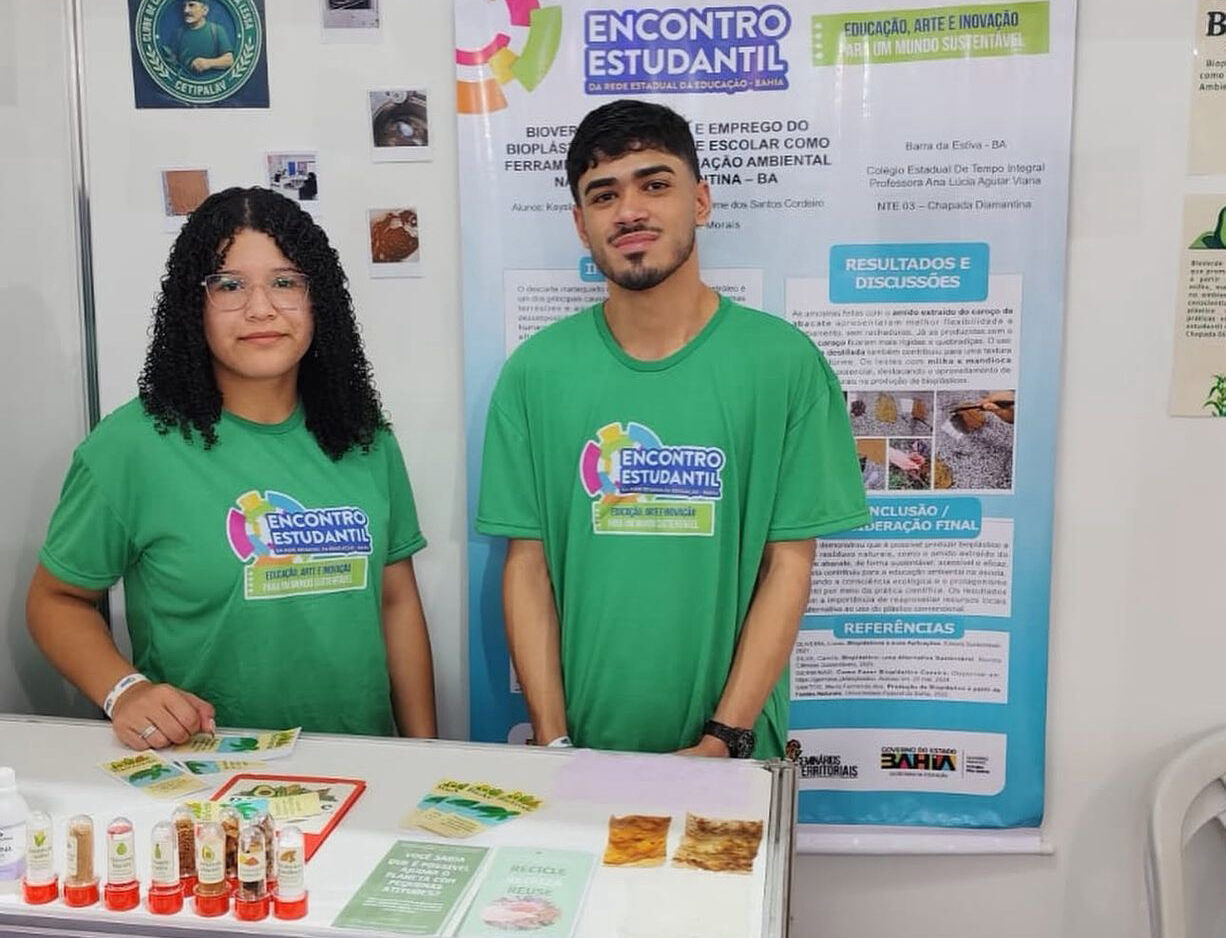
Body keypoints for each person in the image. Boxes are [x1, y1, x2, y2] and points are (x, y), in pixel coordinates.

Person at [476, 100, 869, 759]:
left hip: (735, 754)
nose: (630, 211)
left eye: (655, 185)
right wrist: (553, 742)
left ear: (701, 201)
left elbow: (789, 565)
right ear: (581, 224)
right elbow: (528, 567)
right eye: (604, 195)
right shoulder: (534, 374)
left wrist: (722, 738)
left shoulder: (784, 363)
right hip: (584, 757)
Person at [27, 187, 436, 750]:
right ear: (194, 305)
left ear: (319, 301)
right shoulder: (133, 445)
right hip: (202, 778)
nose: (260, 308)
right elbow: (55, 600)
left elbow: (396, 601)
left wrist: (423, 754)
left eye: (285, 282)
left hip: (359, 769)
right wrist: (124, 690)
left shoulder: (363, 435)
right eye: (229, 285)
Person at [167, 1, 234, 76]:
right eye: (184, 6)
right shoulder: (178, 34)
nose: (186, 10)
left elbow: (229, 60)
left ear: (205, 10)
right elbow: (171, 64)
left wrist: (208, 63)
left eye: (191, 5)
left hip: (210, 83)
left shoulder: (217, 30)